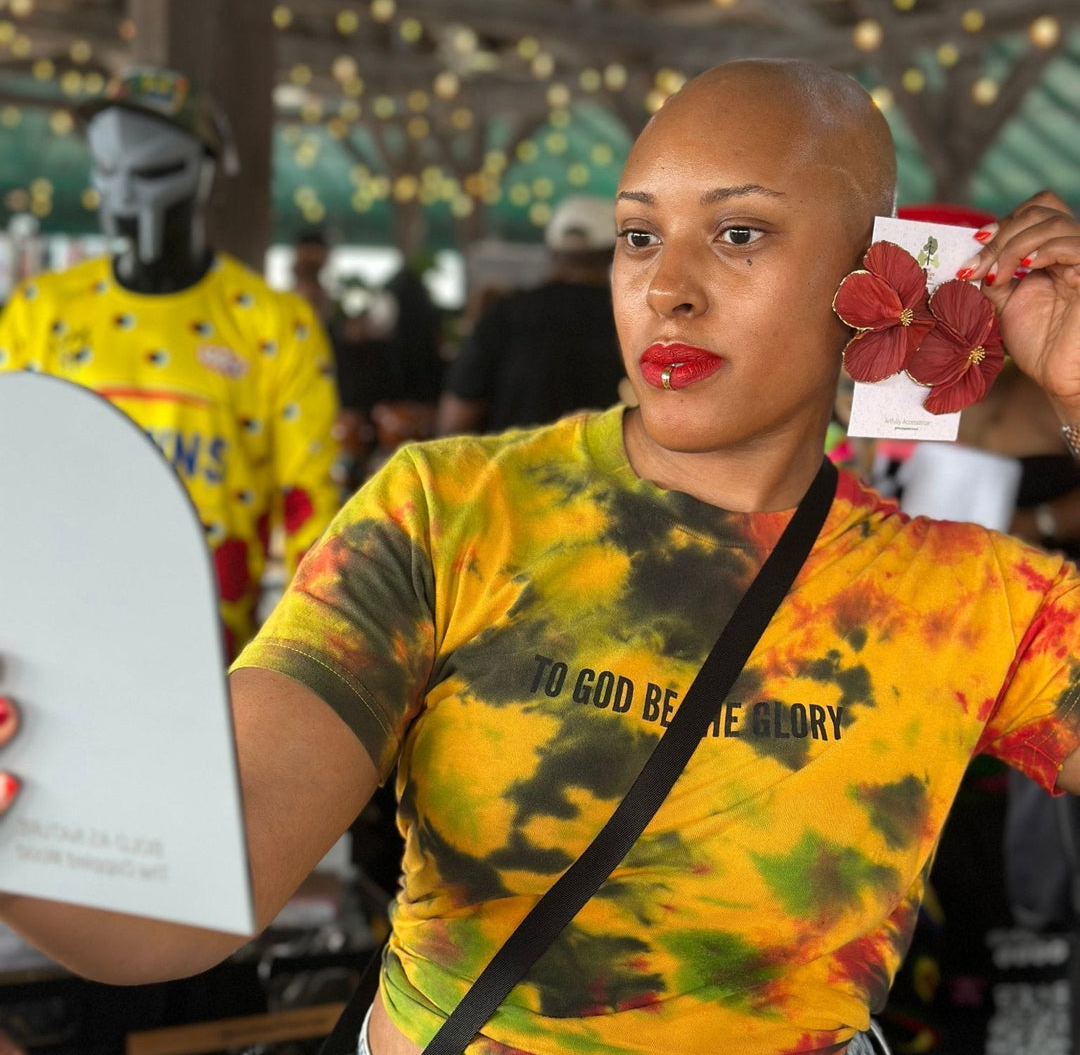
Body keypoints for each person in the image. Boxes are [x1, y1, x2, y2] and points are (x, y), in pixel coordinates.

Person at [3, 57, 1080, 1055]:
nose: (668, 288)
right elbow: (195, 882)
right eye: (639, 235)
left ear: (879, 272)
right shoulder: (451, 511)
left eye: (740, 234)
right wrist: (30, 828)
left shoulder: (967, 599)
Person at [0, 65, 341, 659]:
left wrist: (299, 666)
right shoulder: (41, 313)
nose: (126, 193)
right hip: (50, 645)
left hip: (212, 659)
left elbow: (313, 512)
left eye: (154, 170)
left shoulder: (274, 324)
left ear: (206, 172)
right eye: (108, 170)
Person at [436, 193, 624, 435]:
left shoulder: (506, 311)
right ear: (614, 253)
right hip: (607, 470)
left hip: (511, 467)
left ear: (552, 252)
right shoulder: (628, 318)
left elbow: (456, 416)